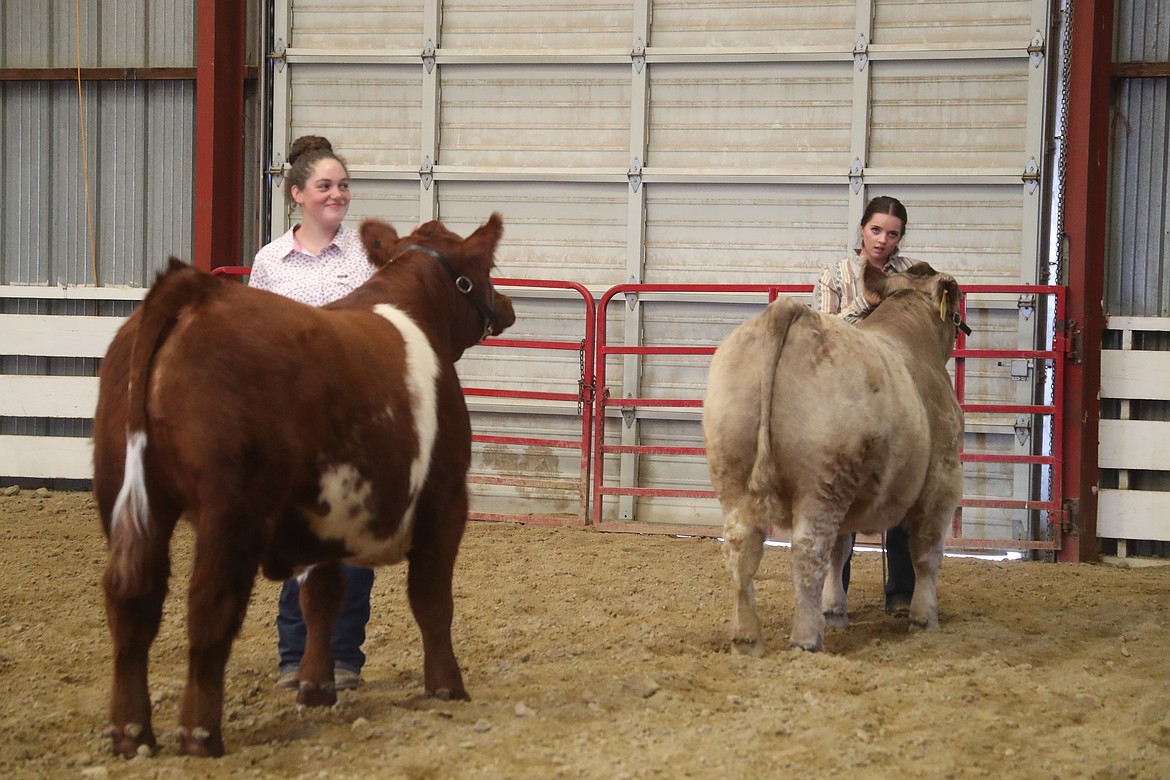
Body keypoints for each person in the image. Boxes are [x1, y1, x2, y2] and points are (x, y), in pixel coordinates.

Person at [249, 135, 377, 691]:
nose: (337, 194)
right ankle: (295, 654)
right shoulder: (269, 263)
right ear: (298, 194)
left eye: (343, 185)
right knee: (300, 536)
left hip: (355, 417)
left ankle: (343, 655)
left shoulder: (369, 256)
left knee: (352, 537)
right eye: (324, 185)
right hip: (291, 421)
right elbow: (254, 340)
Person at [812, 195, 916, 615]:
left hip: (894, 392)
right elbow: (821, 329)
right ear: (862, 229)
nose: (883, 241)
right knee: (843, 490)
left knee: (905, 484)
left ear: (900, 237)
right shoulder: (835, 276)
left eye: (892, 234)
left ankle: (902, 593)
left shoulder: (910, 274)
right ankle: (837, 590)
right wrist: (864, 304)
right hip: (846, 392)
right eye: (876, 230)